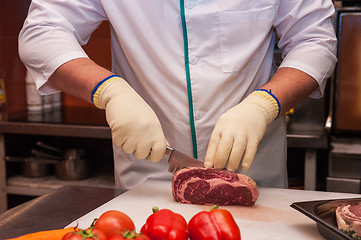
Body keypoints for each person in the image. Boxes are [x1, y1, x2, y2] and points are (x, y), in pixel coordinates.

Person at [18, 0, 337, 190]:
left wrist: (264, 104)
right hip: (148, 178)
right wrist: (109, 90)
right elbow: (43, 32)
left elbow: (315, 41)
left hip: (252, 176)